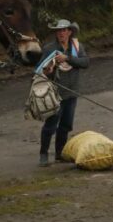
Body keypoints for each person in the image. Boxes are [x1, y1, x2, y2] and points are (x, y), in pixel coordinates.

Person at [36, 19, 89, 166]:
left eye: (64, 30)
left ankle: (60, 154)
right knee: (50, 125)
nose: (61, 33)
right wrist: (50, 69)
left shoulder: (77, 47)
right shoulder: (49, 49)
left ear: (70, 32)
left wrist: (68, 58)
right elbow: (40, 70)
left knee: (66, 125)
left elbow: (85, 63)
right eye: (58, 31)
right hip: (55, 93)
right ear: (56, 33)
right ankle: (43, 154)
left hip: (72, 92)